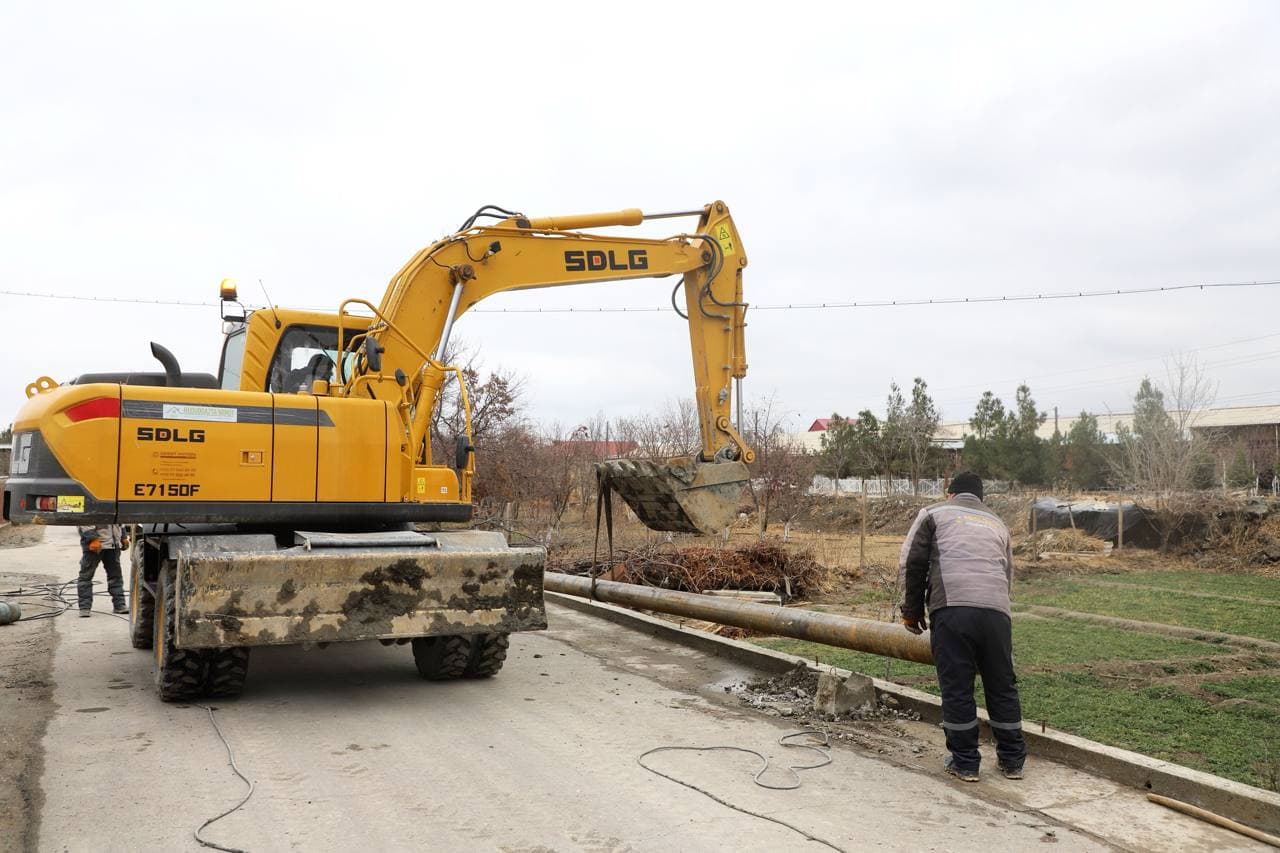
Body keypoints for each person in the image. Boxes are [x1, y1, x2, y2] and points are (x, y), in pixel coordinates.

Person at [898, 472, 1026, 782]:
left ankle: (965, 762)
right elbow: (1008, 573)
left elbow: (912, 562)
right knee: (1001, 684)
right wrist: (997, 610)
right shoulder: (998, 524)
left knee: (957, 685)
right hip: (997, 612)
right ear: (981, 498)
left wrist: (911, 612)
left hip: (953, 607)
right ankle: (1012, 761)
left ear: (950, 493)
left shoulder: (934, 513)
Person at [77, 524, 129, 617]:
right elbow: (85, 522)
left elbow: (121, 521)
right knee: (86, 577)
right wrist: (93, 539)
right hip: (94, 547)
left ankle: (119, 605)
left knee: (116, 577)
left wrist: (123, 536)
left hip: (113, 546)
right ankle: (84, 608)